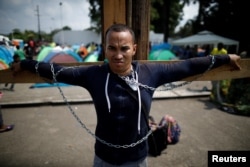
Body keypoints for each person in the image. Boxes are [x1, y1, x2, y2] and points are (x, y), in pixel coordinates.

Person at [11, 24, 241, 166]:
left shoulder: (152, 72)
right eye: (112, 48)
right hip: (103, 158)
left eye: (124, 48)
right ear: (105, 48)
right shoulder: (93, 75)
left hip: (137, 159)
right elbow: (56, 70)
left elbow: (188, 66)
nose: (118, 54)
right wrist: (26, 63)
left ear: (134, 49)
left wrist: (225, 58)